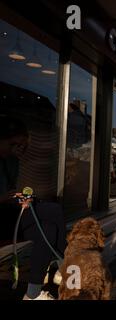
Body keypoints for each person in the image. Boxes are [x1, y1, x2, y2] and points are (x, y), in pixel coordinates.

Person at [0, 115, 66, 300]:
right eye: (14, 144)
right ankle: (64, 267)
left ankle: (32, 294)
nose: (17, 149)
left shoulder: (11, 160)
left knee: (51, 222)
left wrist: (21, 197)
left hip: (11, 212)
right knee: (51, 215)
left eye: (21, 145)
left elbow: (13, 190)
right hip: (4, 216)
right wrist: (8, 197)